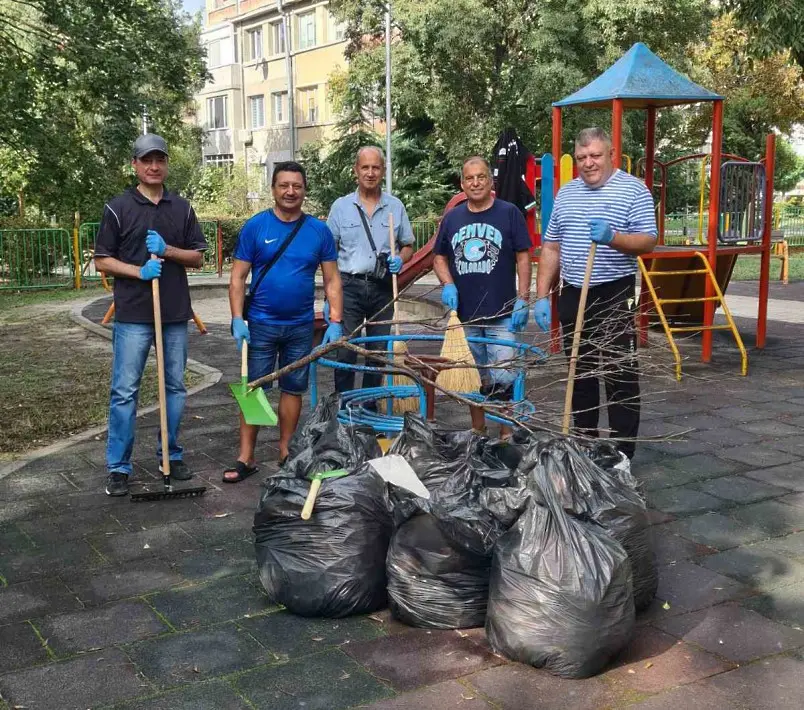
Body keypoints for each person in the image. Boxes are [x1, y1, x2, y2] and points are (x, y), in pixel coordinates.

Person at [94, 133, 208, 497]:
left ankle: (170, 456)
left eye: (159, 159)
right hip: (132, 315)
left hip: (173, 312)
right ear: (135, 165)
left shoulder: (182, 208)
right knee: (125, 391)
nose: (154, 166)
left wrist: (169, 250)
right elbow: (102, 259)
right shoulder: (118, 208)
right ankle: (118, 467)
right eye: (147, 160)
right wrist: (139, 270)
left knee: (174, 386)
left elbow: (198, 256)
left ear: (166, 164)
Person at [534, 127, 657, 459]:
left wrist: (613, 237)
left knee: (620, 374)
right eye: (582, 157)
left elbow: (647, 240)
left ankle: (621, 456)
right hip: (574, 293)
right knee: (580, 371)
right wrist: (542, 295)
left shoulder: (633, 191)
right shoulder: (567, 194)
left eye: (595, 156)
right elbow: (551, 246)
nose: (588, 163)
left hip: (614, 293)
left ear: (611, 154)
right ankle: (583, 445)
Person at [227, 161, 343, 482]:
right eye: (284, 185)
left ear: (304, 190)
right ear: (274, 189)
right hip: (261, 323)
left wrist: (335, 318)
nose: (290, 191)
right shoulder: (256, 227)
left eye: (297, 186)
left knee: (293, 389)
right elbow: (238, 277)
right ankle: (246, 457)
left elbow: (332, 279)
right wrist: (238, 318)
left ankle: (285, 451)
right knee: (254, 389)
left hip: (300, 325)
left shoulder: (318, 231)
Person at [433, 156, 532, 437]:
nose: (475, 182)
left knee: (504, 378)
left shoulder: (509, 213)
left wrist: (524, 299)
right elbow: (438, 258)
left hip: (502, 314)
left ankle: (505, 434)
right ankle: (478, 430)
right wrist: (447, 283)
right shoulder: (453, 217)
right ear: (462, 183)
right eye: (469, 178)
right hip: (465, 317)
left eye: (481, 177)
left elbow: (523, 257)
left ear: (491, 181)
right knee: (473, 378)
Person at [326, 146, 415, 403]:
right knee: (345, 351)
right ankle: (343, 408)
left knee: (377, 352)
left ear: (383, 171)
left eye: (376, 167)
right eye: (365, 167)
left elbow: (407, 245)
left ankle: (369, 408)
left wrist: (401, 258)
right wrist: (328, 297)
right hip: (349, 287)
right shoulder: (341, 207)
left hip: (383, 288)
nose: (370, 172)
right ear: (356, 171)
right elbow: (328, 253)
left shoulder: (395, 206)